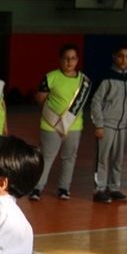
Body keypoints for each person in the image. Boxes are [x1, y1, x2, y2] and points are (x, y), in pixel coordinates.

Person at [29, 43, 91, 201]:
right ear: (60, 59)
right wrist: (54, 118)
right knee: (46, 157)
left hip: (74, 127)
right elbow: (40, 98)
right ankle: (37, 188)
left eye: (73, 58)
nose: (69, 62)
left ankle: (64, 188)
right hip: (51, 126)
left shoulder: (84, 81)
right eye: (66, 58)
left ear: (77, 60)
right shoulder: (51, 77)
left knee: (69, 158)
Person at [89, 44, 127, 203]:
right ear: (114, 57)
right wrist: (99, 124)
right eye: (121, 56)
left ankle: (114, 187)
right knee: (102, 158)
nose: (124, 60)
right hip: (107, 124)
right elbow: (96, 101)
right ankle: (99, 189)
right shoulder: (107, 77)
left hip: (123, 126)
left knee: (118, 158)